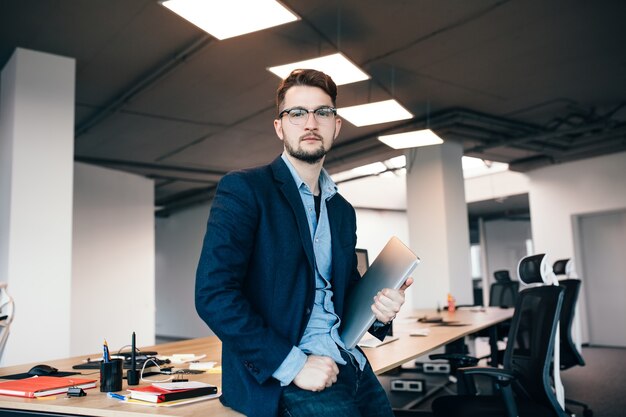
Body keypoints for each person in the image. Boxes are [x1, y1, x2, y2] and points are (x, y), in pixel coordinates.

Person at [195, 69, 413, 417]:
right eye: (297, 112)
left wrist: (380, 312)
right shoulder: (246, 190)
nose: (310, 122)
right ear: (280, 126)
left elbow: (344, 292)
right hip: (289, 376)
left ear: (336, 126)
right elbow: (213, 295)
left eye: (322, 112)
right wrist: (294, 365)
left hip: (350, 363)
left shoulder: (341, 211)